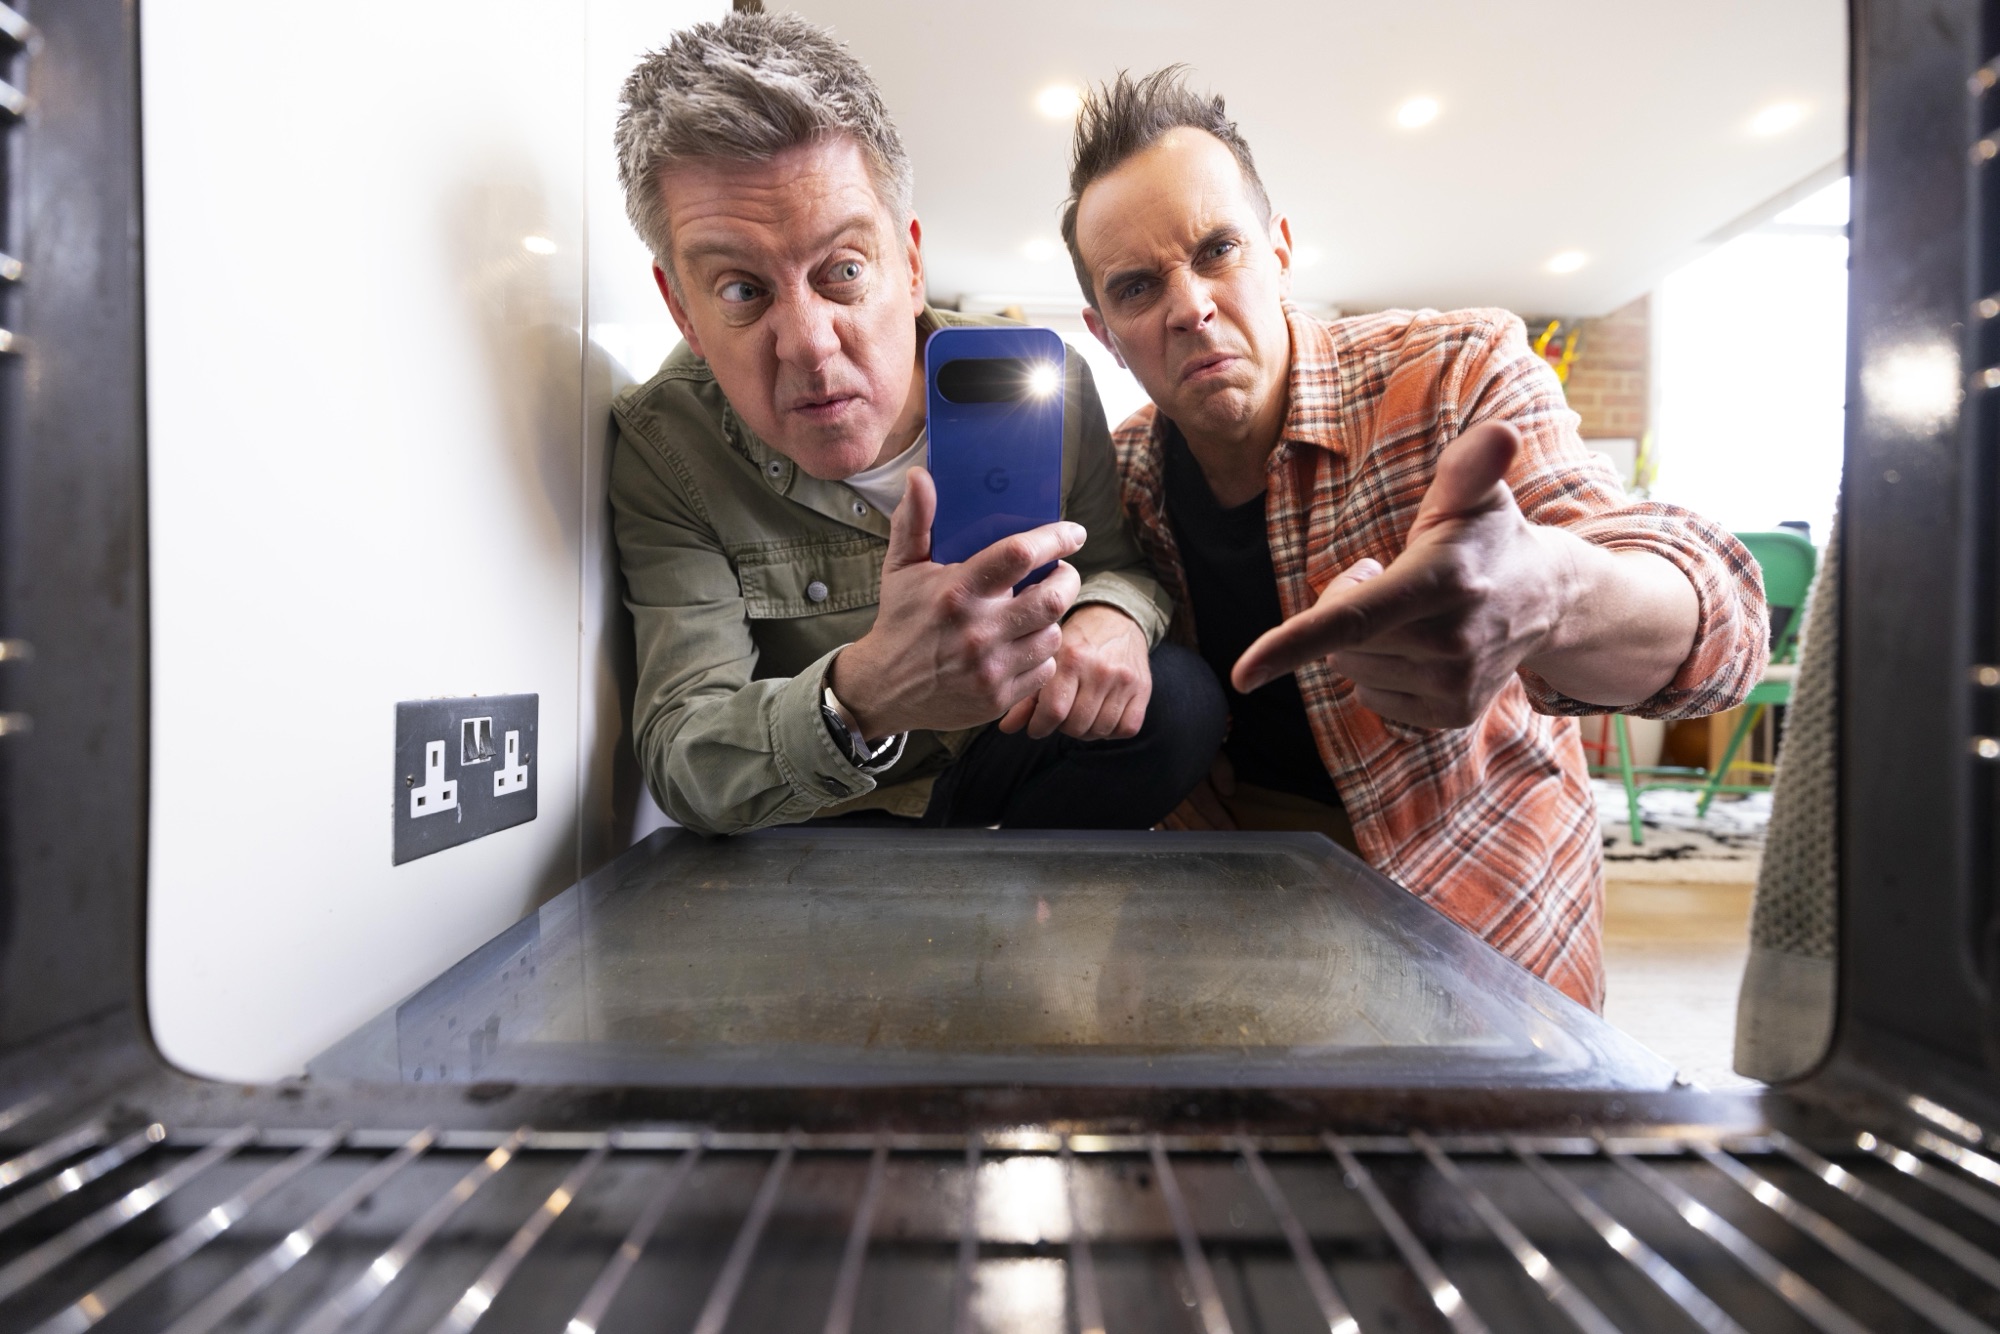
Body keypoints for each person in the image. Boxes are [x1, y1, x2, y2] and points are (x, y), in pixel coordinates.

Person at [1062, 69, 1769, 1009]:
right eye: (1138, 286)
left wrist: (1548, 596)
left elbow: (1724, 627)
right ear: (1105, 334)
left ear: (1280, 252)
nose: (1189, 306)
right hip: (1226, 914)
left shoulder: (1450, 376)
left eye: (1219, 250)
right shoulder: (1118, 480)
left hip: (1482, 913)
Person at [607, 18, 1224, 836]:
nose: (809, 345)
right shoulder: (666, 445)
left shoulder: (1049, 383)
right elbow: (684, 751)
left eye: (844, 271)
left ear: (911, 264)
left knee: (1179, 700)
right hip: (839, 810)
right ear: (681, 308)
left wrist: (1110, 617)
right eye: (741, 292)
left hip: (1013, 751)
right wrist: (865, 693)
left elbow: (1115, 565)